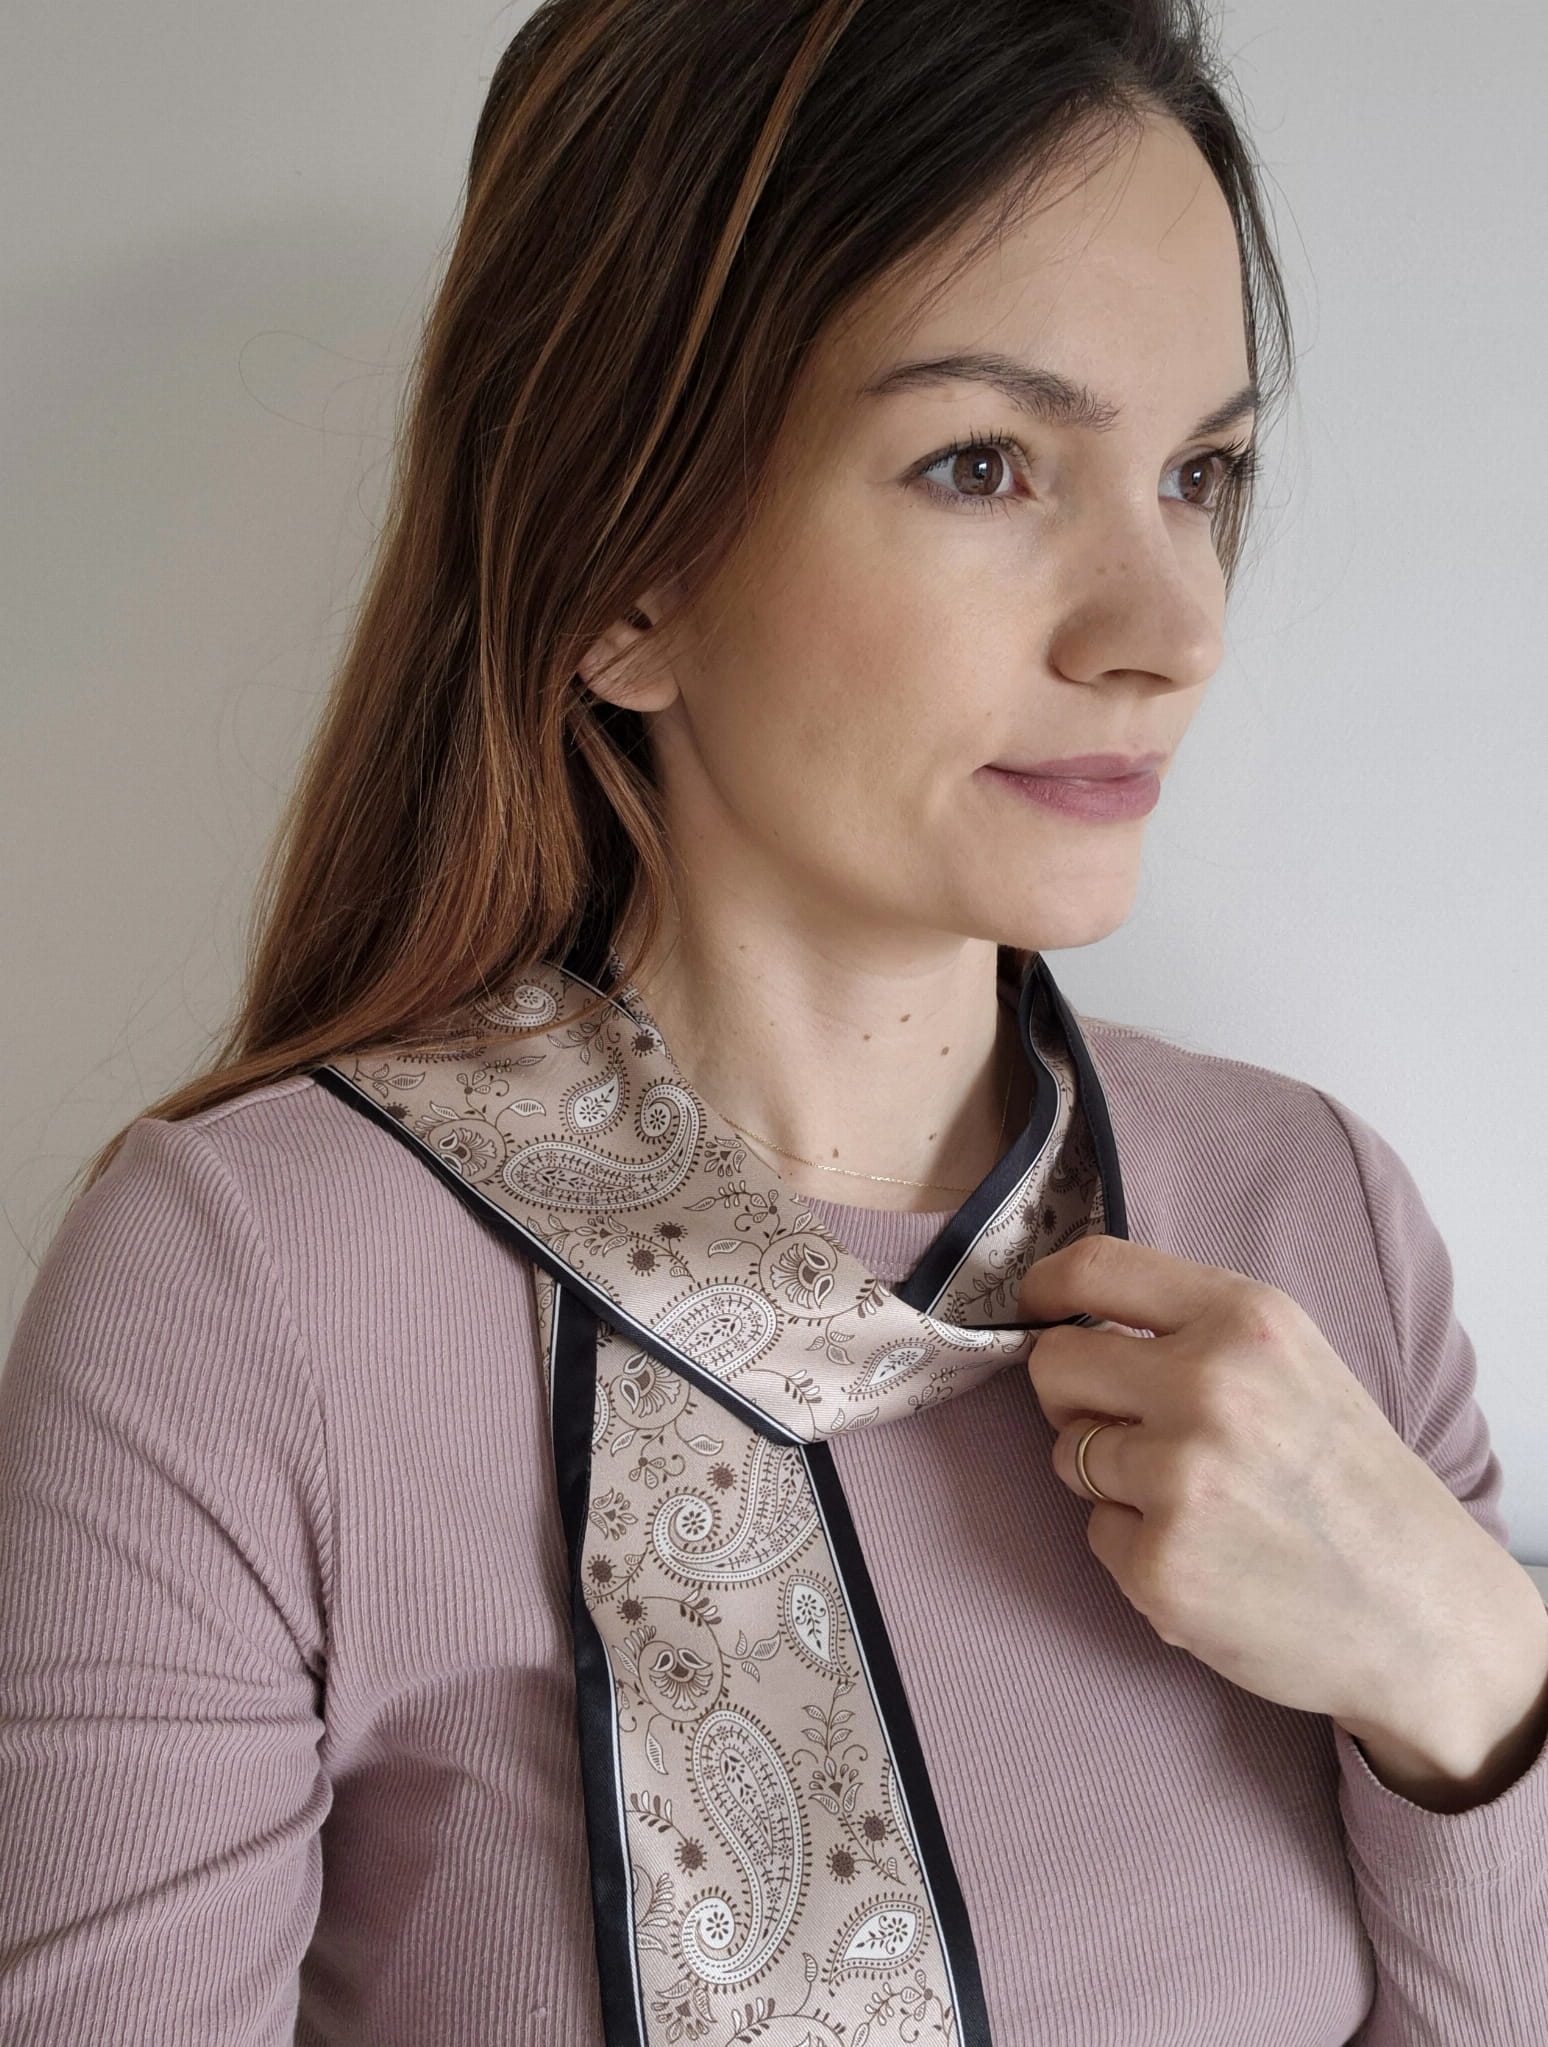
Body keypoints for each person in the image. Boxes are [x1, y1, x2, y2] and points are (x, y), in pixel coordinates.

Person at [2, 0, 1545, 2041]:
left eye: (1200, 472)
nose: (1169, 629)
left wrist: (1468, 1673)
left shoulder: (1312, 1224)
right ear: (626, 573)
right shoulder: (249, 1297)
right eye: (985, 465)